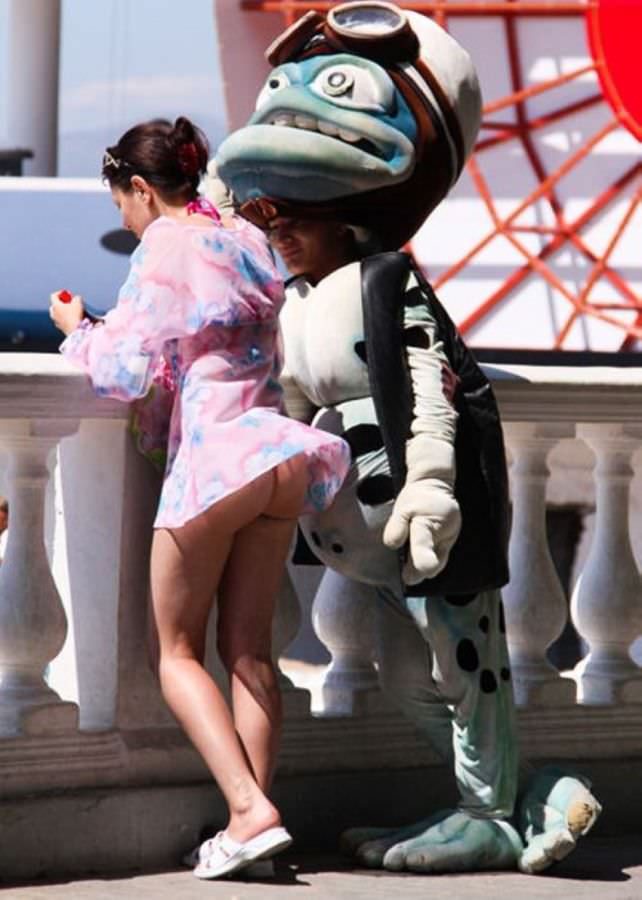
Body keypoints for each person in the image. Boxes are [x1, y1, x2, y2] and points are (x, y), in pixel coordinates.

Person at [49, 116, 350, 881]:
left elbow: (122, 371)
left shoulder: (166, 244)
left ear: (141, 188)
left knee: (175, 654)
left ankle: (248, 812)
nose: (123, 219)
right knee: (250, 652)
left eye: (121, 203)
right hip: (277, 453)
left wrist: (78, 328)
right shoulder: (245, 236)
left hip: (218, 462)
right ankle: (251, 826)